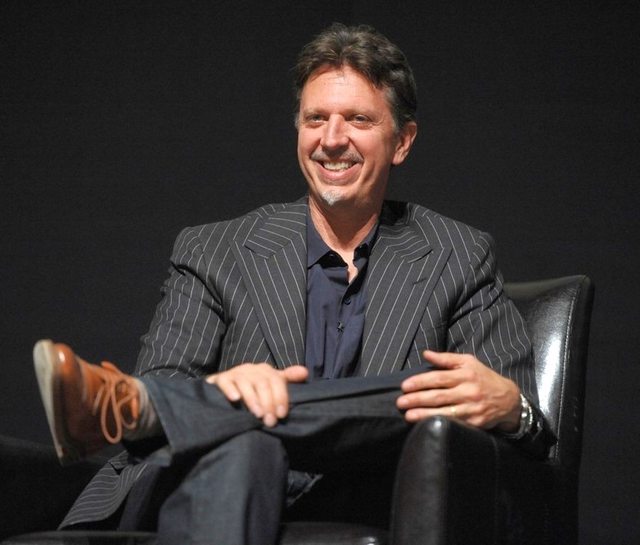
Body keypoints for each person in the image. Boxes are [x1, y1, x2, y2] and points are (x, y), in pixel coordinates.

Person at [34, 23, 552, 545]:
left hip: (362, 498)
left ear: (402, 141)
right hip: (205, 487)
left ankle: (137, 405)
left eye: (358, 119)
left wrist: (516, 409)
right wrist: (223, 388)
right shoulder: (214, 249)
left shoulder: (458, 255)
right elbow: (163, 382)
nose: (332, 139)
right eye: (315, 119)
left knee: (427, 396)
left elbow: (525, 425)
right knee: (247, 447)